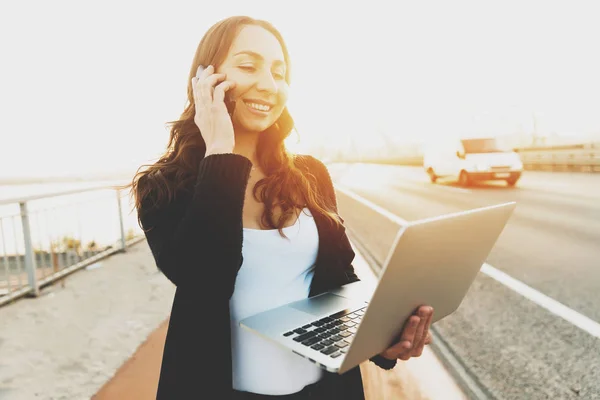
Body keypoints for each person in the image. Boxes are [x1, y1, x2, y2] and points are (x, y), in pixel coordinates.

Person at [126, 15, 434, 399]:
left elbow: (339, 282)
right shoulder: (163, 187)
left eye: (279, 72)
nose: (269, 85)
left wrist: (382, 342)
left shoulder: (309, 174)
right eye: (248, 65)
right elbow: (206, 282)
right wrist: (221, 151)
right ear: (205, 78)